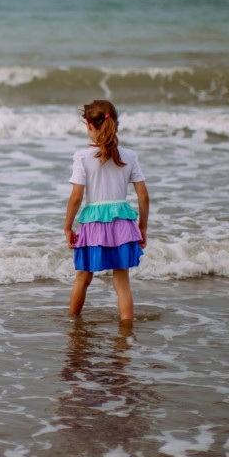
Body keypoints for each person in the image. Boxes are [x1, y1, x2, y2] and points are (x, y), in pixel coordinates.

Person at [64, 100, 149, 320]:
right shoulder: (129, 156)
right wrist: (142, 227)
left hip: (94, 222)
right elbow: (143, 195)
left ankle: (73, 323)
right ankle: (127, 328)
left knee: (83, 277)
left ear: (89, 125)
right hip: (123, 222)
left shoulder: (82, 157)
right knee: (122, 283)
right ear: (115, 124)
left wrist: (67, 227)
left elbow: (76, 197)